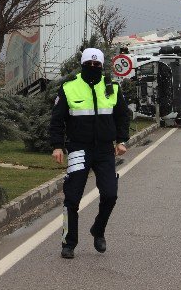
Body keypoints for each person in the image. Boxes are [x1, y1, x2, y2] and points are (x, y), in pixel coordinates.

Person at [49, 48, 130, 259]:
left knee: (110, 194)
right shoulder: (69, 88)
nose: (93, 68)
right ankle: (69, 242)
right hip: (78, 148)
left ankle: (98, 230)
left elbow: (122, 116)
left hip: (104, 150)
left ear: (102, 66)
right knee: (72, 198)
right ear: (82, 64)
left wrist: (121, 140)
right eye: (89, 64)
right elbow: (57, 121)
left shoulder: (111, 87)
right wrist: (57, 146)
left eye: (97, 65)